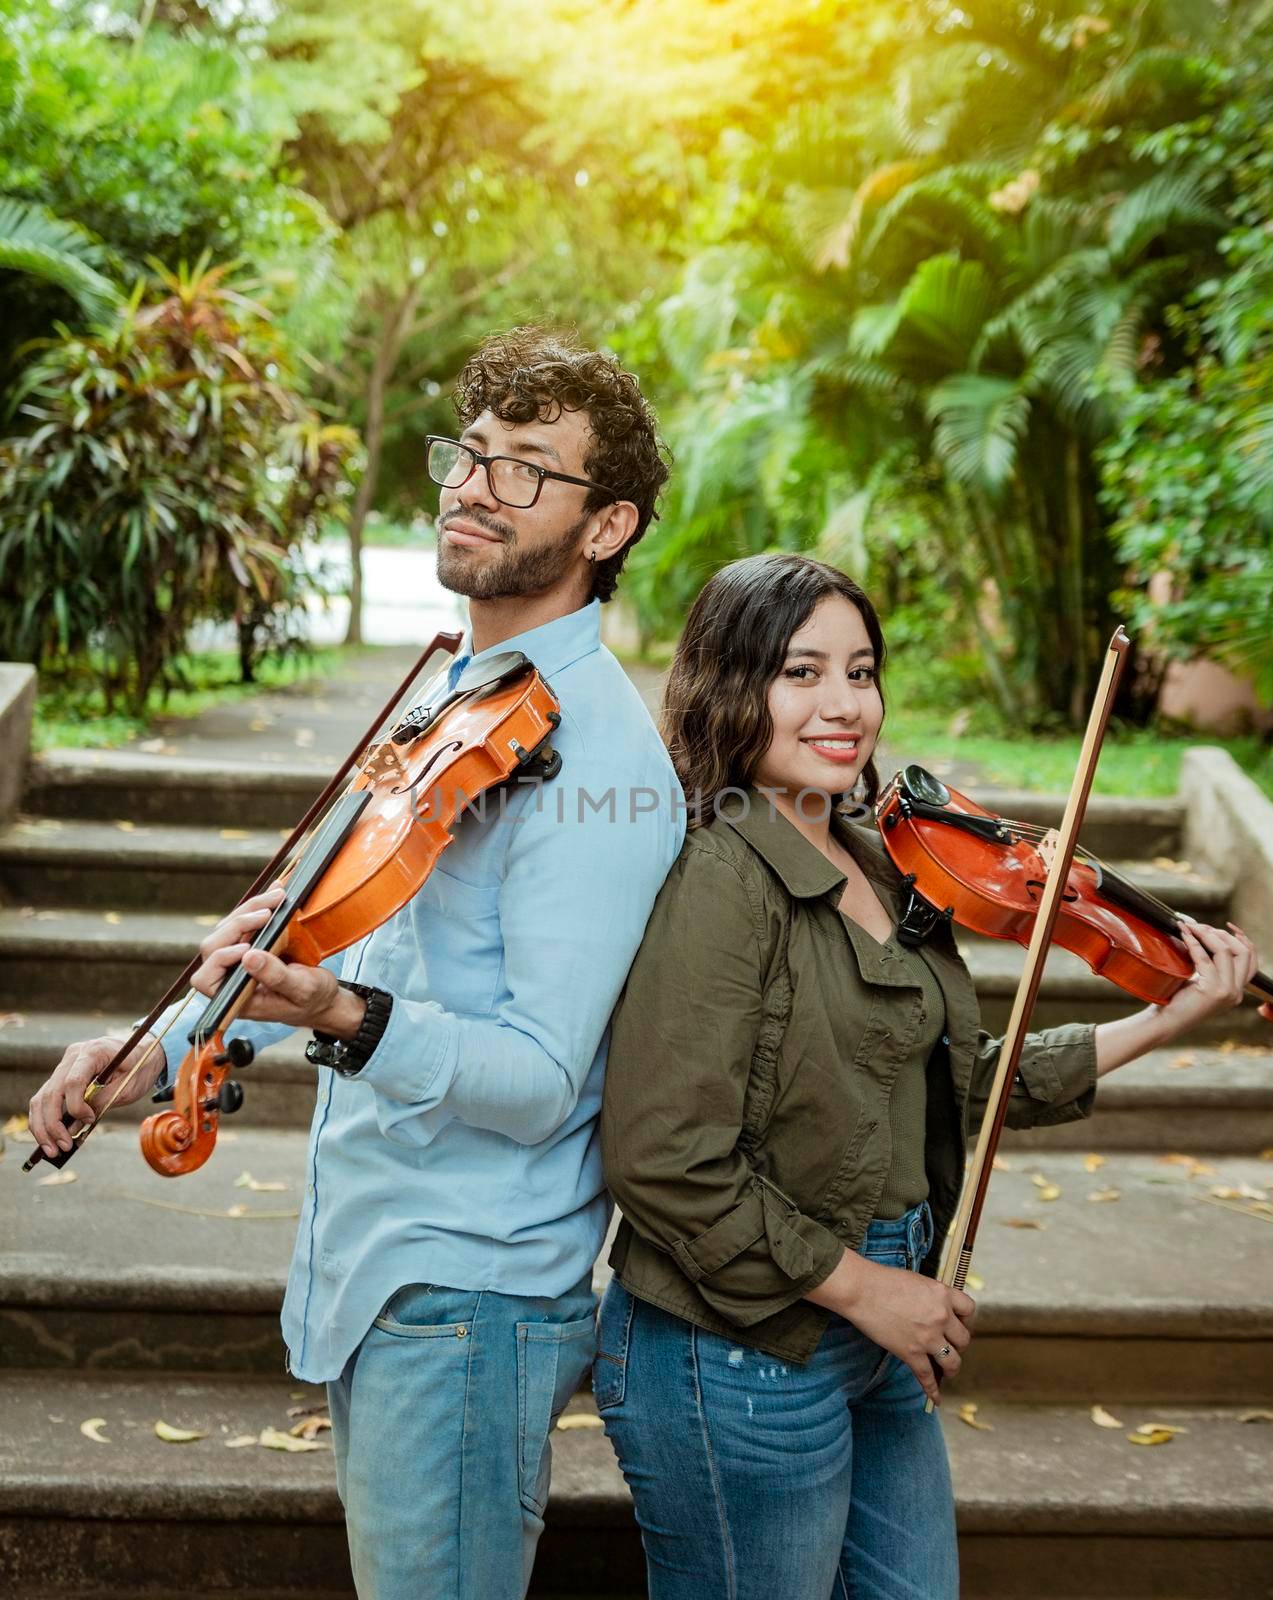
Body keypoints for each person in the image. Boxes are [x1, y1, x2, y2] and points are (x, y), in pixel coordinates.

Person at [27, 328, 685, 1600]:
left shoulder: (595, 757)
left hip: (467, 1296)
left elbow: (546, 1079)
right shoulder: (454, 697)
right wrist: (152, 1052)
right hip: (396, 1278)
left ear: (607, 527)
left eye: (526, 470)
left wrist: (342, 1011)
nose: (475, 486)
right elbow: (320, 927)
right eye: (471, 453)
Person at [596, 552, 1259, 1600]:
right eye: (801, 672)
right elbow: (661, 1160)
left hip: (879, 1310)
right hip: (740, 1349)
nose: (843, 704)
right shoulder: (726, 874)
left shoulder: (873, 854)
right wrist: (872, 1292)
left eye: (860, 672)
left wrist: (1166, 1012)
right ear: (731, 685)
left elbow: (964, 1077)